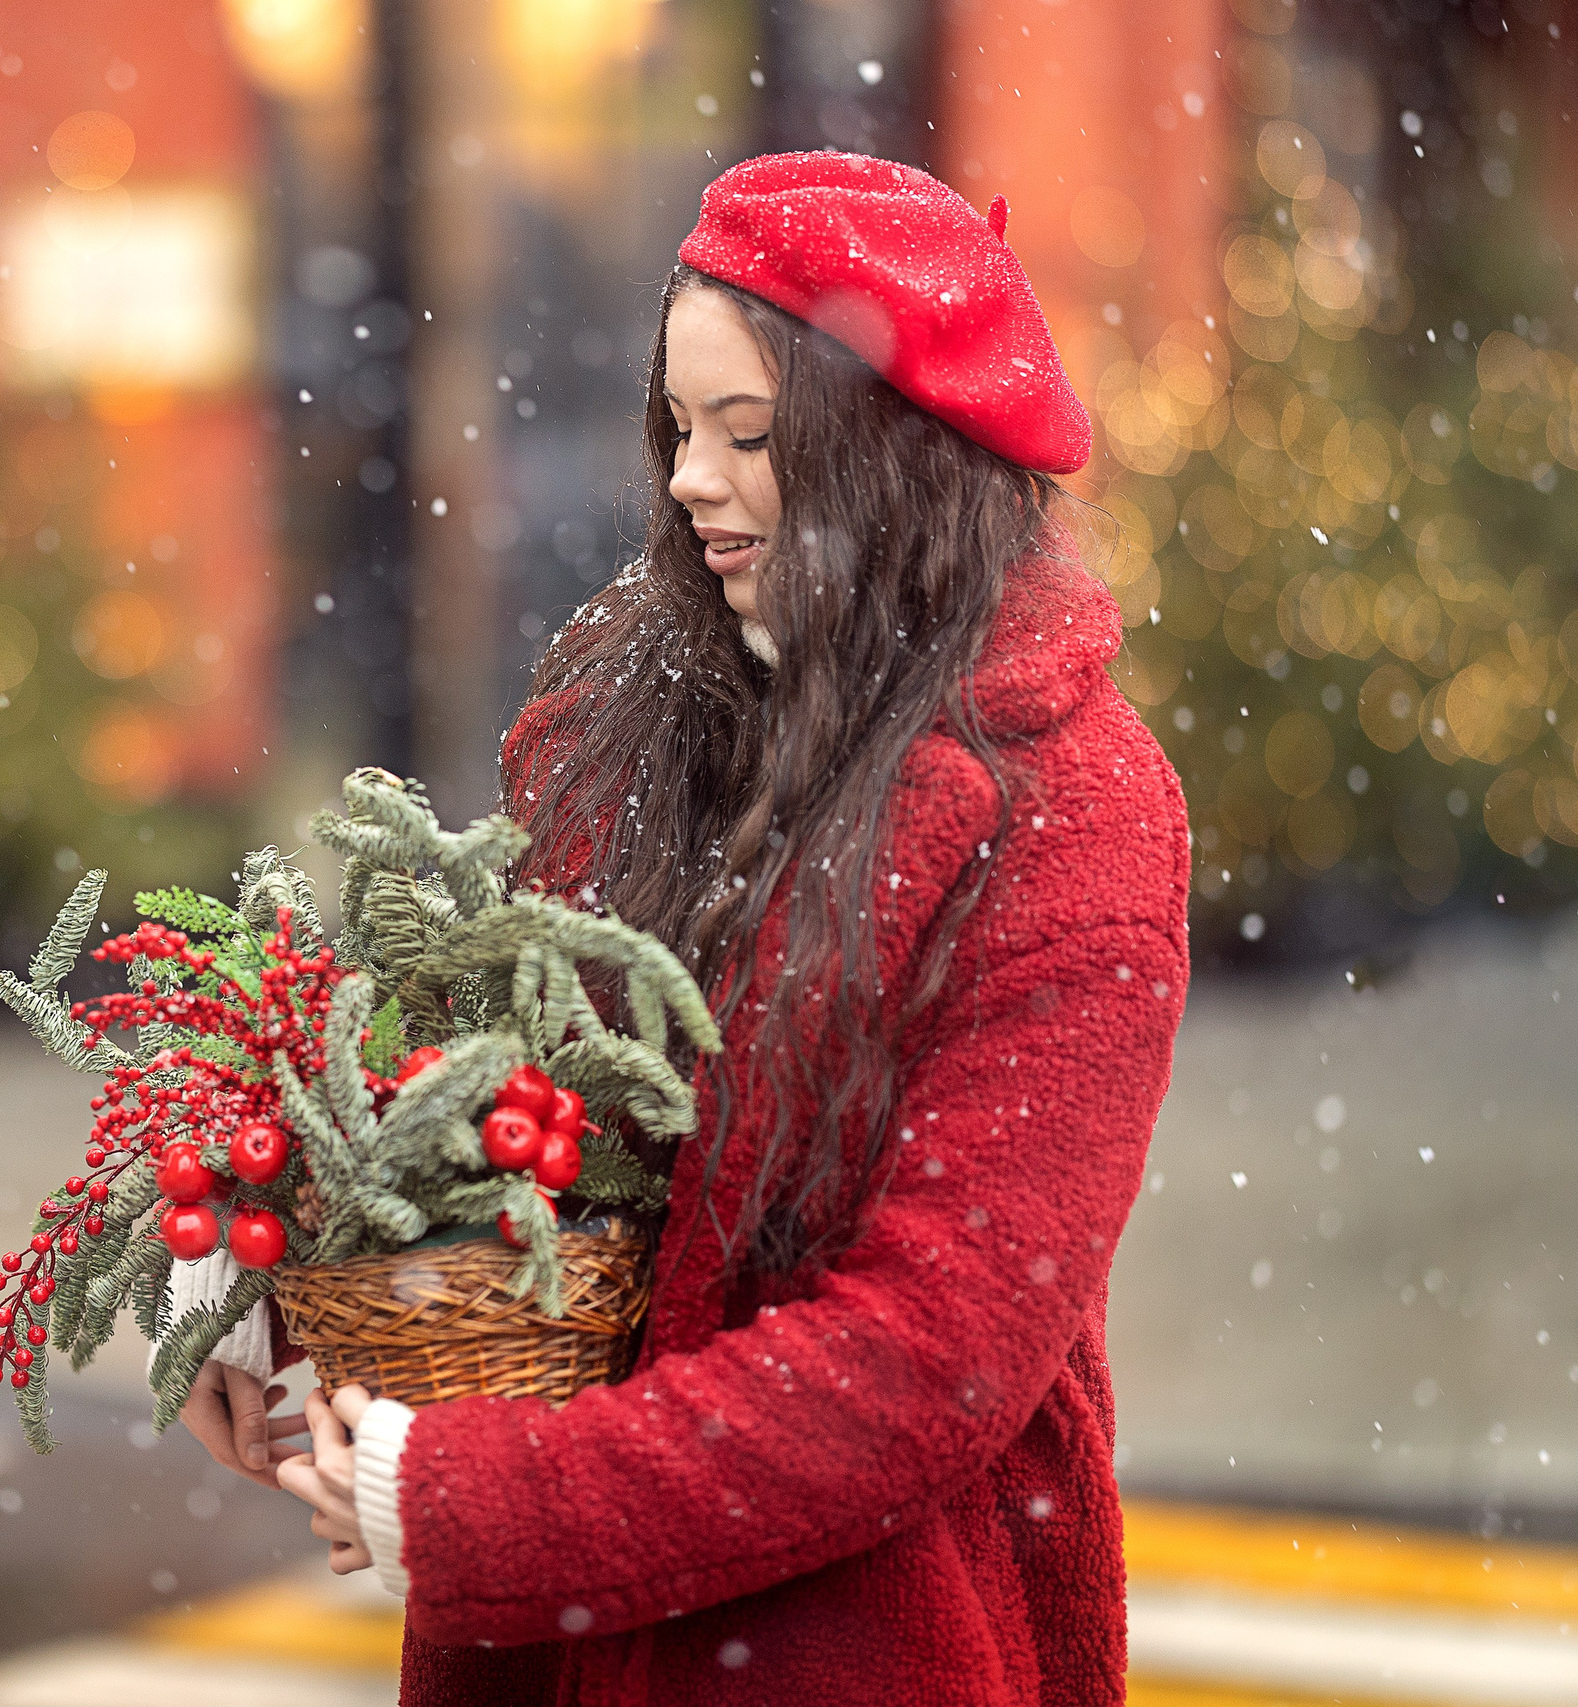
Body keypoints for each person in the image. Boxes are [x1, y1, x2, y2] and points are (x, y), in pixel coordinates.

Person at [179, 150, 1191, 1704]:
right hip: (546, 1653)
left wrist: (468, 1507)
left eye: (753, 434)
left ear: (895, 452)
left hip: (860, 1644)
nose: (690, 481)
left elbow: (933, 1354)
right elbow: (493, 1110)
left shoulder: (1075, 803)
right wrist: (291, 1286)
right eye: (678, 427)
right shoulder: (625, 712)